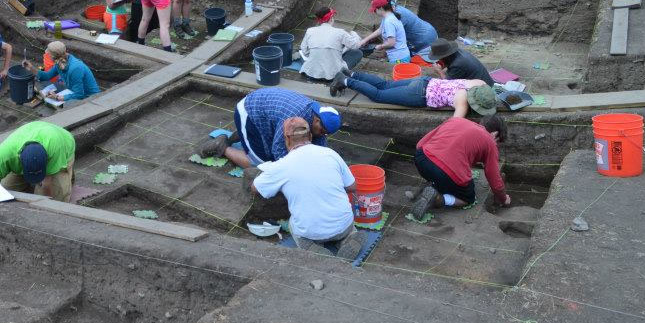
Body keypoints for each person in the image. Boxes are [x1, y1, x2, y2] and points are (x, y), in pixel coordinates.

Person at [251, 117, 359, 254]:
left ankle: (313, 250)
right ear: (310, 135)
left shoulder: (281, 166)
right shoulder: (330, 154)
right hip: (343, 225)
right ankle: (349, 239)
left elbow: (255, 189)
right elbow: (352, 187)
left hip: (312, 233)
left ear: (287, 138)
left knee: (293, 224)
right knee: (347, 228)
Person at [198, 88, 343, 169]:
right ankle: (221, 147)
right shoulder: (293, 118)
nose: (323, 134)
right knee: (263, 165)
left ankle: (245, 136)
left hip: (267, 116)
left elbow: (320, 145)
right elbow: (279, 150)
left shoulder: (318, 119)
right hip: (249, 111)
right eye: (322, 131)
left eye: (326, 133)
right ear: (316, 119)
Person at [410, 115, 511, 219]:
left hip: (421, 158)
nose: (496, 145)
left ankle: (431, 186)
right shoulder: (490, 141)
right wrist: (503, 198)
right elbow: (493, 177)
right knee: (468, 199)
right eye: (498, 142)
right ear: (495, 134)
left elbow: (420, 144)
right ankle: (438, 199)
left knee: (439, 174)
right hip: (446, 172)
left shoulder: (456, 120)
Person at [0, 121, 76, 202]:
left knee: (56, 200)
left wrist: (48, 204)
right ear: (20, 161)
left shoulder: (55, 149)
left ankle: (67, 175)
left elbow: (47, 183)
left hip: (63, 144)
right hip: (32, 132)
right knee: (6, 191)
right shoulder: (7, 154)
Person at [331, 69, 496, 118]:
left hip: (425, 81)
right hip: (419, 95)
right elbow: (454, 124)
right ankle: (345, 81)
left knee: (385, 84)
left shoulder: (479, 84)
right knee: (378, 95)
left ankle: (352, 74)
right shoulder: (463, 100)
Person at [299, 7, 363, 81]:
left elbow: (304, 50)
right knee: (358, 52)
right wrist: (354, 34)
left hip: (311, 73)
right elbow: (356, 45)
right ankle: (342, 74)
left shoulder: (310, 31)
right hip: (333, 75)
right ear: (331, 18)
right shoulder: (340, 32)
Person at [24, 41, 99, 104]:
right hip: (76, 92)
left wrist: (57, 97)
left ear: (53, 57)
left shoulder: (75, 69)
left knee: (64, 107)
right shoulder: (59, 62)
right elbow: (47, 76)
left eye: (48, 54)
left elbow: (79, 95)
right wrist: (31, 68)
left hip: (91, 99)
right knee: (49, 85)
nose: (47, 56)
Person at [359, 0, 410, 64]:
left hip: (399, 58)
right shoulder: (389, 16)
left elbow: (391, 43)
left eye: (375, 10)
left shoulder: (389, 22)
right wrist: (365, 39)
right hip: (400, 55)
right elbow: (380, 29)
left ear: (381, 8)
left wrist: (381, 46)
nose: (374, 12)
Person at [427, 38, 494, 85]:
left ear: (445, 56)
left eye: (439, 57)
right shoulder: (458, 52)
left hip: (483, 89)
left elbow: (447, 83)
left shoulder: (457, 64)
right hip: (483, 81)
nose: (439, 59)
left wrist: (439, 71)